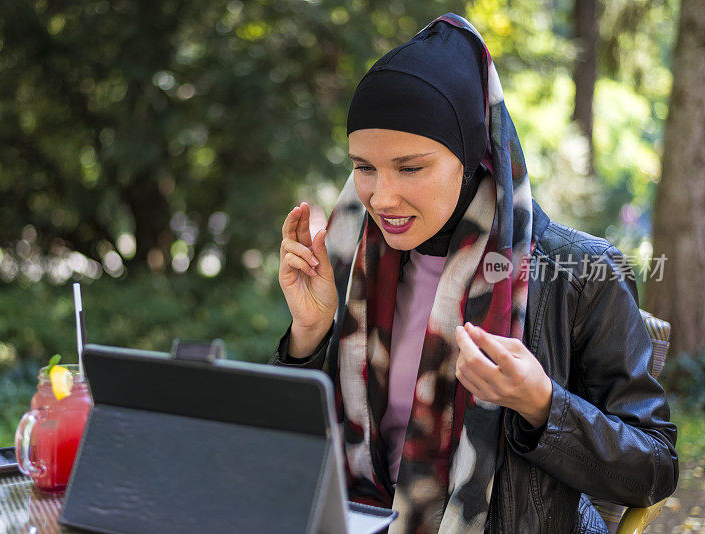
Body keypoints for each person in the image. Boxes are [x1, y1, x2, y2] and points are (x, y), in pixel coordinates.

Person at [270, 13, 678, 534]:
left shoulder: (580, 272)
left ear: (471, 155)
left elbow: (655, 470)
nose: (381, 197)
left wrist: (542, 405)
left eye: (410, 167)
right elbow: (285, 456)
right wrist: (308, 336)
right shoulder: (352, 263)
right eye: (364, 167)